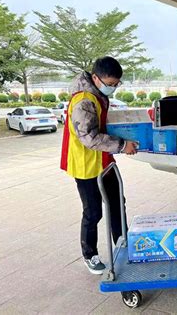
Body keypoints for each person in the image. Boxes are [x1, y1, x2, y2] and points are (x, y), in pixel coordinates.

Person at [60, 56, 137, 275]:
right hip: (85, 164)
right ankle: (89, 254)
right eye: (110, 84)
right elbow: (88, 137)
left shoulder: (97, 95)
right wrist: (122, 145)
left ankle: (123, 244)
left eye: (116, 84)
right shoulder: (84, 100)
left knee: (116, 203)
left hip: (103, 161)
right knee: (93, 211)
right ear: (95, 78)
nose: (112, 88)